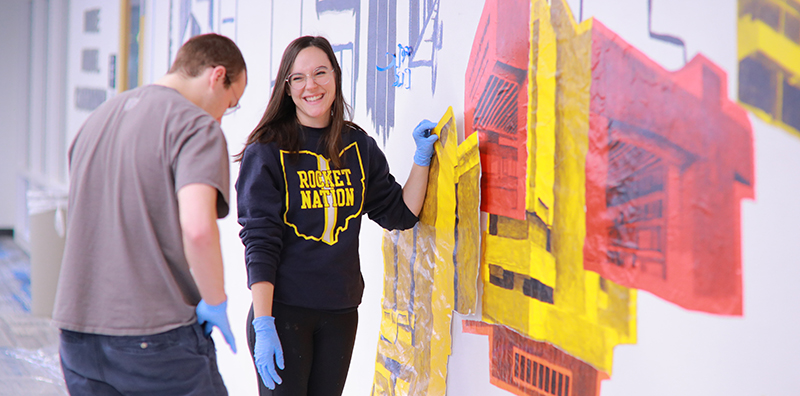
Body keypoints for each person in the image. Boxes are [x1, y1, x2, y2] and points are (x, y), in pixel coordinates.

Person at [235, 35, 438, 396]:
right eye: (298, 78)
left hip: (340, 314)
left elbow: (401, 214)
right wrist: (264, 322)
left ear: (335, 76)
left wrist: (421, 159)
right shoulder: (267, 150)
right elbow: (260, 242)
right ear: (287, 87)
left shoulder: (357, 146)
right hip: (284, 312)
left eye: (319, 73)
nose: (310, 85)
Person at [52, 33, 246, 396]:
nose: (222, 119)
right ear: (217, 76)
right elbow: (198, 229)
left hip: (76, 336)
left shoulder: (96, 121)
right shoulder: (195, 126)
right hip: (154, 339)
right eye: (230, 103)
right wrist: (216, 301)